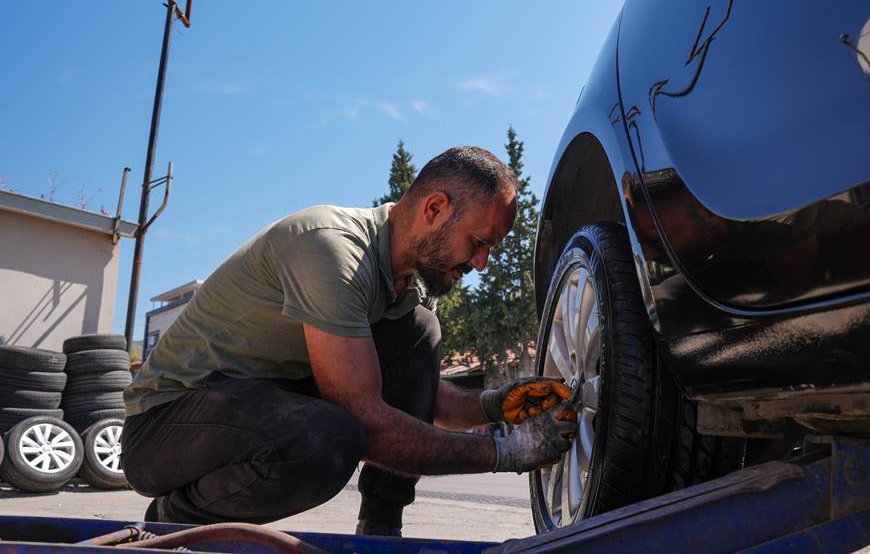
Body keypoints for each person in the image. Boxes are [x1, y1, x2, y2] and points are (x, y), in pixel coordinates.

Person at [121, 146, 576, 535]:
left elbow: (417, 397)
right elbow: (368, 421)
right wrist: (504, 452)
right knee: (330, 437)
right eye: (479, 242)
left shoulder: (406, 286)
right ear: (434, 209)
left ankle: (380, 530)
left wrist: (494, 405)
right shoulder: (331, 250)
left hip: (254, 403)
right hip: (166, 426)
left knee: (419, 328)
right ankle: (175, 519)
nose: (481, 263)